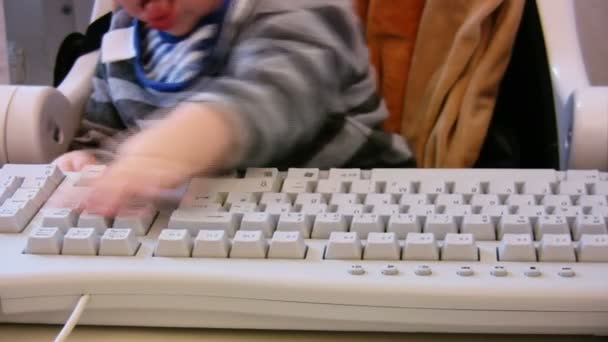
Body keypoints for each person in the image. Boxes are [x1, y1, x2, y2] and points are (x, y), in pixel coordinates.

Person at [54, 0, 414, 215]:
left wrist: (169, 148)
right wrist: (91, 161)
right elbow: (107, 131)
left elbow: (272, 97)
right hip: (217, 210)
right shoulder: (121, 35)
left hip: (349, 195)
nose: (148, 5)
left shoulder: (299, 7)